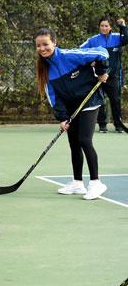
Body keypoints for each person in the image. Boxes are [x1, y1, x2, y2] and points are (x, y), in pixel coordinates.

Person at [35, 27, 109, 200]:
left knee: (84, 140)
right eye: (38, 45)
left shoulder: (69, 56)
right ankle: (77, 183)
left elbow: (101, 52)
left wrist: (101, 72)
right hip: (71, 108)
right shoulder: (45, 69)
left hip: (89, 101)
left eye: (45, 44)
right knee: (74, 143)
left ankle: (96, 183)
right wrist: (62, 117)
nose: (42, 48)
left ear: (54, 42)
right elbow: (54, 97)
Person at [80, 17, 128, 133]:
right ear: (99, 27)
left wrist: (123, 26)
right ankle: (102, 125)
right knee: (99, 101)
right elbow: (81, 50)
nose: (104, 28)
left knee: (115, 101)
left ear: (110, 27)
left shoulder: (118, 37)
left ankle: (118, 125)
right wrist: (89, 61)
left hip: (113, 77)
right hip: (99, 77)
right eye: (102, 26)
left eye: (106, 26)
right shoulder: (93, 40)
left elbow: (127, 39)